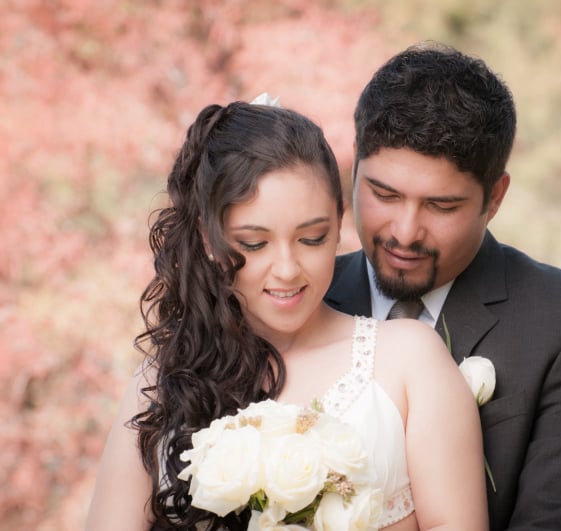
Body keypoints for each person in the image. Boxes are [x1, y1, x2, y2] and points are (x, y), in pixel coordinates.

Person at [86, 100, 488, 530]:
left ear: (338, 223)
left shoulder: (408, 358)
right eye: (255, 244)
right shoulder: (162, 381)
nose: (287, 269)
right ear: (207, 238)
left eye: (311, 238)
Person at [324, 42, 561, 530]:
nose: (405, 232)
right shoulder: (299, 302)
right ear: (355, 167)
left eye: (441, 206)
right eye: (384, 194)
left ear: (495, 197)